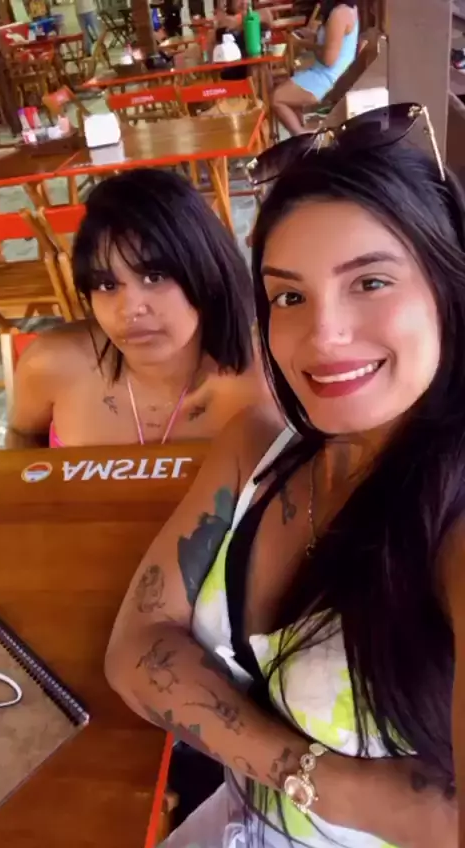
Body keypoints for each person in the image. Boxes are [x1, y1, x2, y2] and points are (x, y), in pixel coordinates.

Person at [105, 135, 463, 847]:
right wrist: (327, 782)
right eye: (289, 296)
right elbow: (134, 650)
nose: (323, 335)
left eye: (370, 282)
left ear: (449, 292)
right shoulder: (258, 445)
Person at [6, 169, 273, 450]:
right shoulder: (49, 365)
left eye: (154, 277)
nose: (130, 309)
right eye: (107, 284)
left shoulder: (265, 387)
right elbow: (22, 437)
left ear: (207, 273)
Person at [273, 0, 359, 135]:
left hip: (327, 78)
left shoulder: (339, 14)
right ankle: (302, 131)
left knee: (276, 98)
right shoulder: (348, 8)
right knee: (284, 88)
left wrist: (303, 44)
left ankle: (301, 135)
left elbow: (328, 60)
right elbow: (332, 42)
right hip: (328, 73)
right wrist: (312, 36)